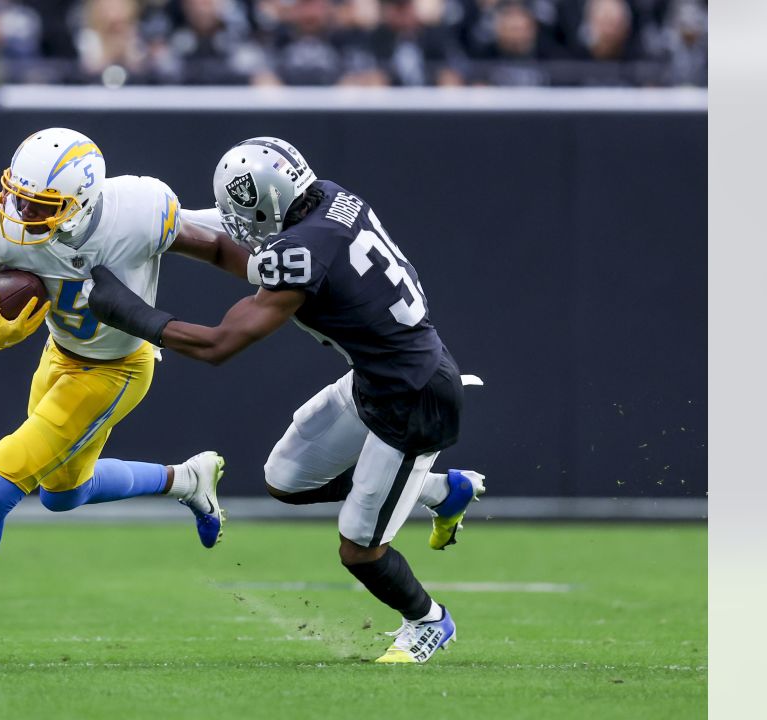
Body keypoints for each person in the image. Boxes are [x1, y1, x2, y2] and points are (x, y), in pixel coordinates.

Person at [0, 127, 246, 661]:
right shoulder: (5, 226)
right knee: (63, 495)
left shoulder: (139, 210)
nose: (19, 212)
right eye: (17, 195)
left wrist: (276, 283)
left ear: (82, 202)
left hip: (116, 369)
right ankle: (187, 479)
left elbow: (218, 245)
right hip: (57, 357)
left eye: (39, 205)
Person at [87, 137, 487, 664]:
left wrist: (129, 313)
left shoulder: (301, 250)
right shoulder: (324, 200)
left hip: (414, 402)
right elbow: (230, 249)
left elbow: (218, 344)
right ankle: (438, 491)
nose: (236, 223)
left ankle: (429, 621)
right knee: (287, 481)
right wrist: (161, 231)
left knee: (359, 550)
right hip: (375, 378)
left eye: (239, 212)